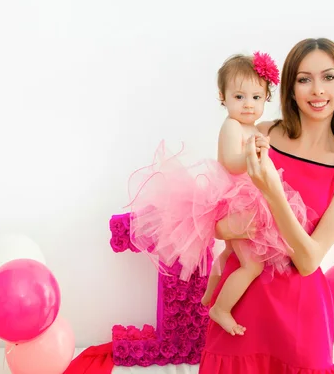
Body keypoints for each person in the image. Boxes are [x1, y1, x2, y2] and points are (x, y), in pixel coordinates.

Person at [198, 38, 334, 374]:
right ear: (290, 88)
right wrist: (229, 227)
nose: (317, 90)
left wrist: (273, 192)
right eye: (304, 79)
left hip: (299, 318)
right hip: (240, 309)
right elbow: (217, 214)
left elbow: (308, 259)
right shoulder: (262, 134)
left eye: (328, 77)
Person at [125, 51, 312, 336]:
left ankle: (209, 294)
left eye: (256, 97)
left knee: (229, 254)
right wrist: (254, 155)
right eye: (239, 97)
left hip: (247, 196)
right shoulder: (232, 126)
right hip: (234, 199)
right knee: (252, 267)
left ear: (266, 98)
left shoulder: (251, 127)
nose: (248, 105)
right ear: (223, 98)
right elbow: (229, 162)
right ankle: (221, 309)